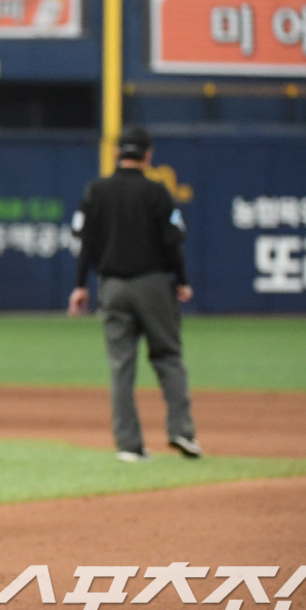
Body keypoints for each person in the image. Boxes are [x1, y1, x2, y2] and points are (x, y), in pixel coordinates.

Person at [67, 126, 203, 463]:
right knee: (168, 358)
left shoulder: (96, 190)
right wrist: (182, 280)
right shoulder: (157, 191)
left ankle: (128, 446)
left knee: (121, 366)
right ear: (147, 156)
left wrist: (80, 285)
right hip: (153, 284)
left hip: (111, 286)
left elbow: (86, 242)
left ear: (117, 154)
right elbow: (173, 241)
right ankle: (181, 433)